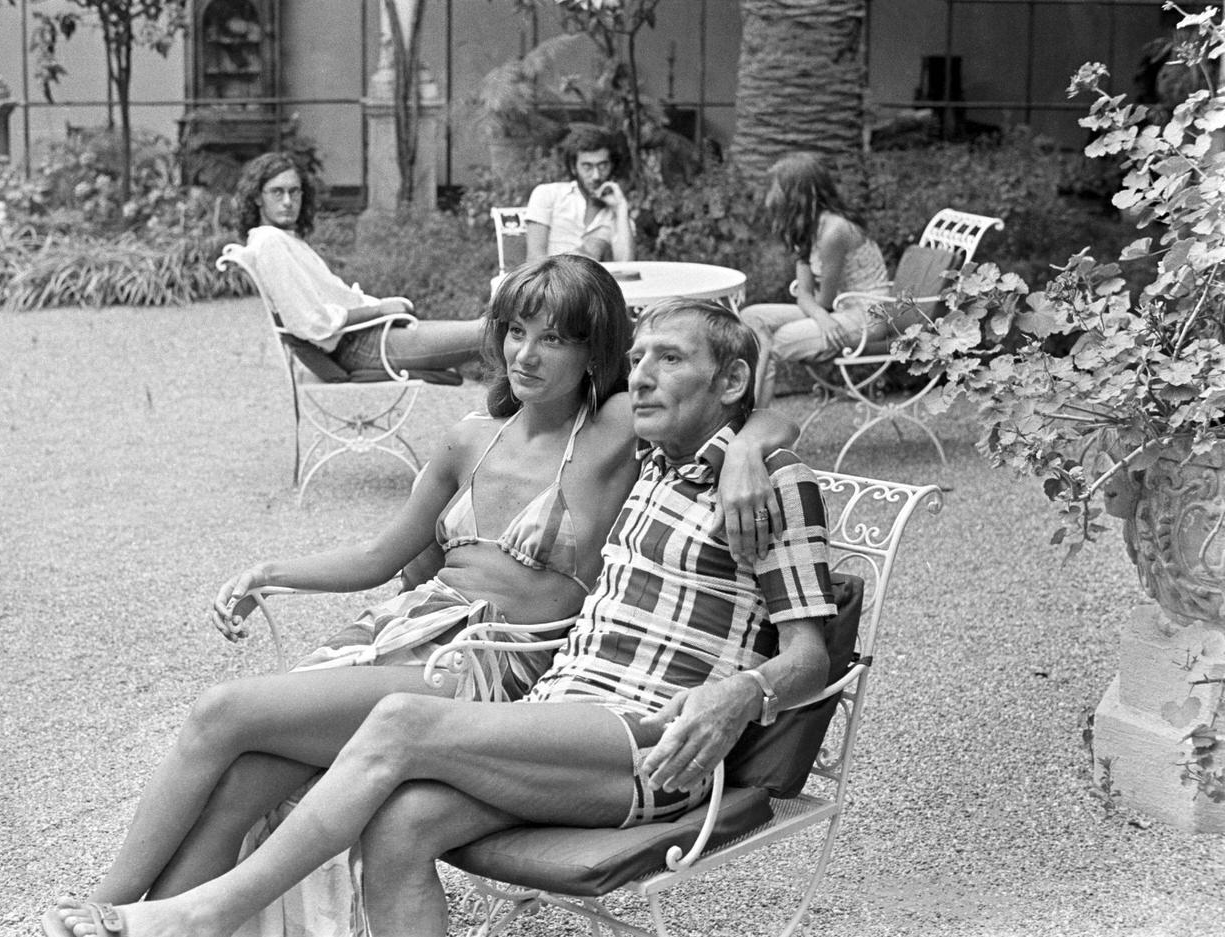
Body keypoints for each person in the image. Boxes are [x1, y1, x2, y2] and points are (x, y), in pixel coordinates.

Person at [40, 258, 800, 937]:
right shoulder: (473, 437)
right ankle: (129, 922)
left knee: (223, 710)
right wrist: (270, 569)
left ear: (590, 353)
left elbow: (744, 404)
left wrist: (751, 447)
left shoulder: (612, 430)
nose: (526, 354)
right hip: (411, 632)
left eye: (555, 338)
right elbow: (383, 555)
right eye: (515, 332)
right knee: (244, 775)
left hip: (493, 661)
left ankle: (110, 900)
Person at [237, 151, 483, 374]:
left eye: (294, 191)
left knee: (492, 331)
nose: (288, 201)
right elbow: (312, 323)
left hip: (370, 335)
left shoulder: (286, 240)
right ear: (258, 197)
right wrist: (379, 310)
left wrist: (383, 308)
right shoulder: (270, 243)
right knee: (488, 333)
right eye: (277, 192)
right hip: (359, 346)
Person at [737, 152, 890, 407]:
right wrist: (822, 318)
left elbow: (825, 299)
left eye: (776, 188)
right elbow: (807, 296)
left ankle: (752, 424)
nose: (770, 196)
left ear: (796, 193)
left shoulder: (835, 232)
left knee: (772, 343)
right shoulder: (807, 227)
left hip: (867, 316)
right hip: (836, 310)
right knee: (751, 317)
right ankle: (748, 417)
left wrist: (822, 313)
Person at [524, 122, 634, 264]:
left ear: (612, 166)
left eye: (603, 166)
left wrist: (620, 207)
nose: (596, 176)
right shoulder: (547, 195)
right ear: (573, 167)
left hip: (594, 285)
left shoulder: (617, 214)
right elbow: (534, 261)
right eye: (587, 166)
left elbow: (626, 266)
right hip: (550, 283)